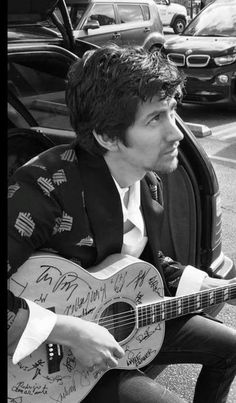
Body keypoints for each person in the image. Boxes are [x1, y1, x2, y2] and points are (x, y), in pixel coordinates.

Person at [8, 44, 236, 403]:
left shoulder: (149, 181)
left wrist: (209, 284)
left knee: (231, 346)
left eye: (172, 112)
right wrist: (66, 330)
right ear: (107, 136)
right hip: (50, 362)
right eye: (155, 119)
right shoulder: (42, 188)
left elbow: (141, 264)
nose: (176, 133)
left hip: (120, 322)